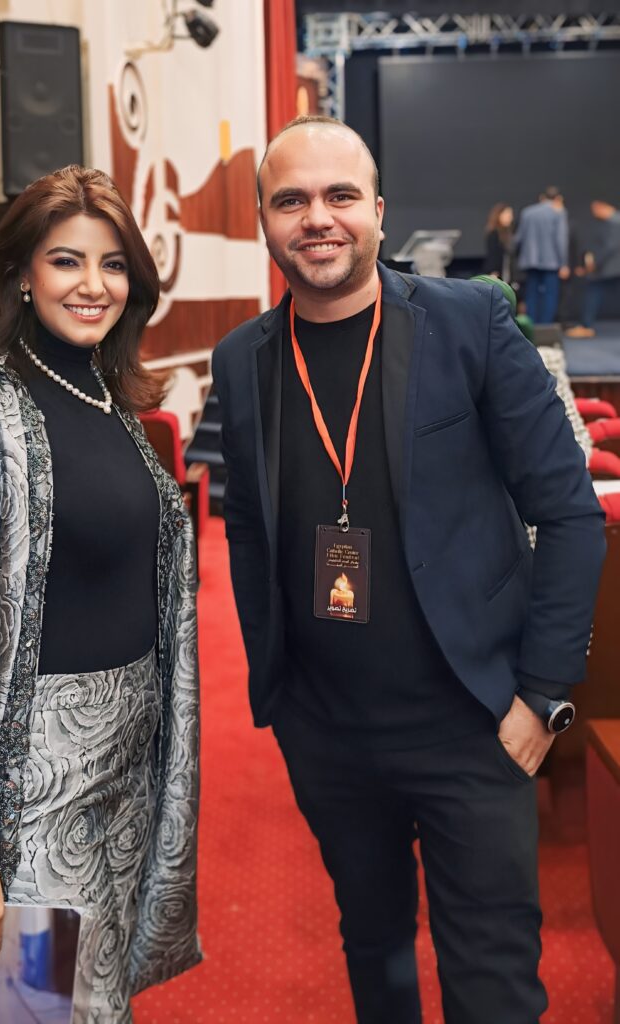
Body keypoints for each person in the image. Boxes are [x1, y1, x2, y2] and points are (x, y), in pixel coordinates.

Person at [212, 116, 605, 1023]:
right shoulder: (242, 361)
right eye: (291, 200)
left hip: (476, 725)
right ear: (264, 220)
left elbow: (569, 515)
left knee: (494, 982)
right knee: (375, 950)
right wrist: (282, 701)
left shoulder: (469, 323)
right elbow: (250, 533)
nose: (318, 218)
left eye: (340, 196)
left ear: (379, 212)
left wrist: (542, 696)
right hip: (328, 734)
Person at [0, 166, 201, 1023]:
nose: (94, 285)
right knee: (20, 1009)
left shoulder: (112, 401)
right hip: (26, 796)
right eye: (66, 261)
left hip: (121, 786)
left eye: (113, 264)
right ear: (21, 274)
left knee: (94, 1004)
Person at [513, 186, 570, 324]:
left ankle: (531, 325)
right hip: (551, 262)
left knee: (531, 293)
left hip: (530, 261)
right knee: (550, 295)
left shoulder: (527, 212)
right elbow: (560, 240)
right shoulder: (558, 212)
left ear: (542, 197)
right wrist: (563, 263)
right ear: (558, 198)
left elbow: (518, 238)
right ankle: (546, 326)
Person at [565, 200, 620, 338]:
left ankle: (586, 326)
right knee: (593, 291)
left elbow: (610, 247)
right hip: (612, 268)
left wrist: (594, 263)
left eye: (596, 209)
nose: (594, 212)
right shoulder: (614, 222)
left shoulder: (614, 223)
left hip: (611, 268)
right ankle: (586, 325)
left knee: (593, 291)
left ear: (603, 206)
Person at [482, 202, 514, 282]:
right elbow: (493, 254)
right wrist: (494, 272)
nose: (510, 218)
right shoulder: (494, 234)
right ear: (499, 215)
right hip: (497, 273)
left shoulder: (507, 233)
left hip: (506, 272)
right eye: (507, 215)